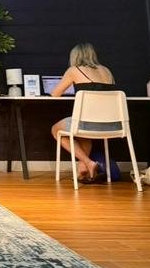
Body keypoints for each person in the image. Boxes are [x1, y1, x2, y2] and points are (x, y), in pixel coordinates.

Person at [49, 43, 117, 182]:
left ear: (75, 56)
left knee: (55, 129)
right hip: (111, 125)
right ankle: (84, 169)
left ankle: (88, 162)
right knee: (84, 136)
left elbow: (55, 94)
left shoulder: (74, 70)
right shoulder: (107, 71)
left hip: (88, 123)